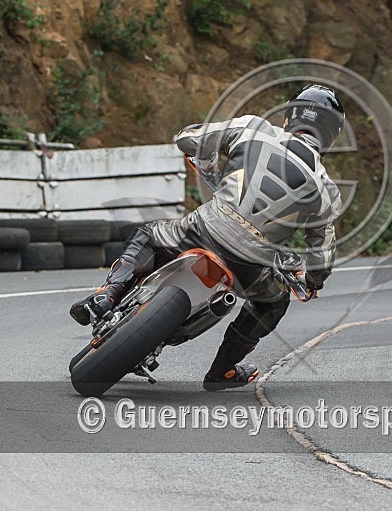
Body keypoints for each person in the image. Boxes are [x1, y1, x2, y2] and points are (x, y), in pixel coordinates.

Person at [69, 84, 345, 390]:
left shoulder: (254, 128)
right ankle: (223, 370)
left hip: (202, 231)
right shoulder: (326, 190)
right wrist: (313, 281)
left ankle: (108, 294)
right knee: (274, 303)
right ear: (330, 135)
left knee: (147, 235)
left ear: (290, 116)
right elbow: (322, 255)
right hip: (251, 266)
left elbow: (187, 138)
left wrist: (210, 166)